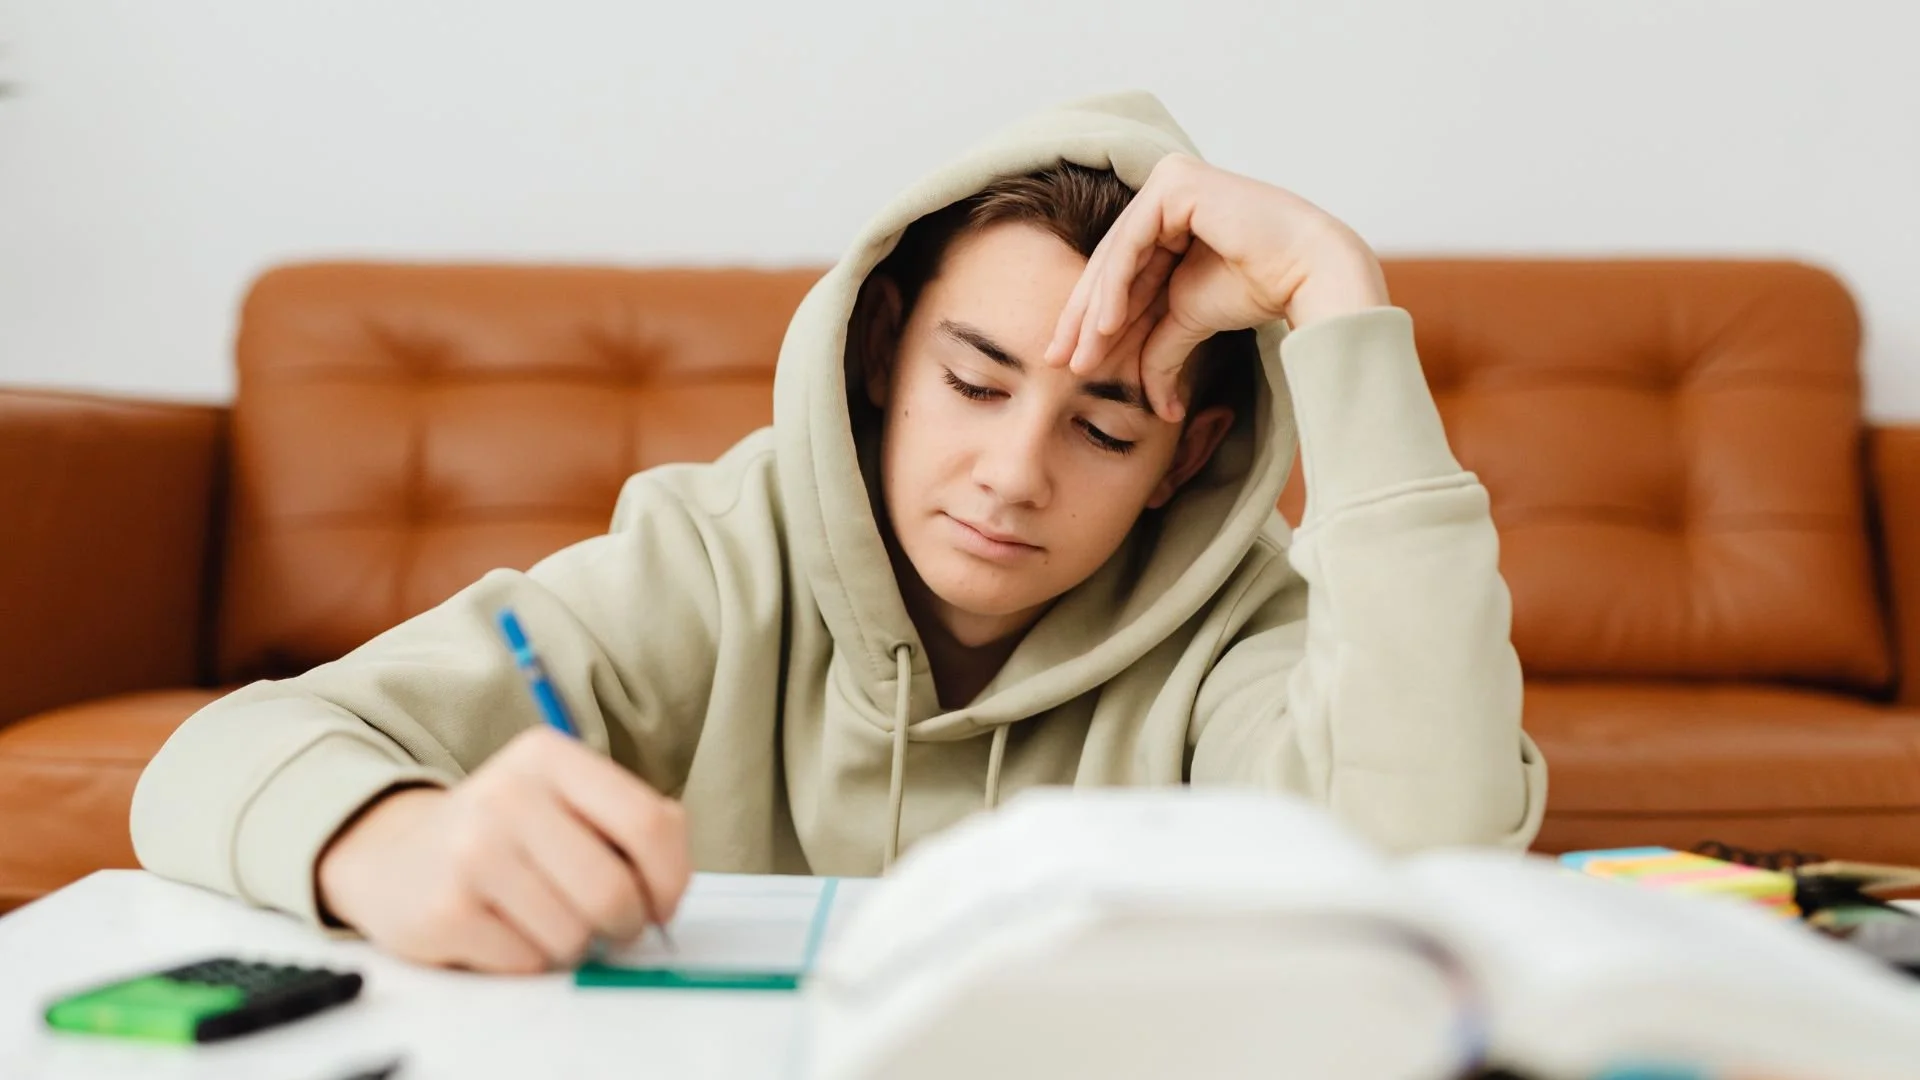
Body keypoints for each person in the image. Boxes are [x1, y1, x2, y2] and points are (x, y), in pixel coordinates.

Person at [131, 91, 1546, 974]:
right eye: (974, 382)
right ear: (878, 361)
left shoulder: (1248, 627)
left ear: (1191, 462)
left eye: (1106, 429)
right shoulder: (709, 553)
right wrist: (391, 840)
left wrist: (1343, 308)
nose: (1011, 475)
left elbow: (1426, 850)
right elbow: (213, 760)